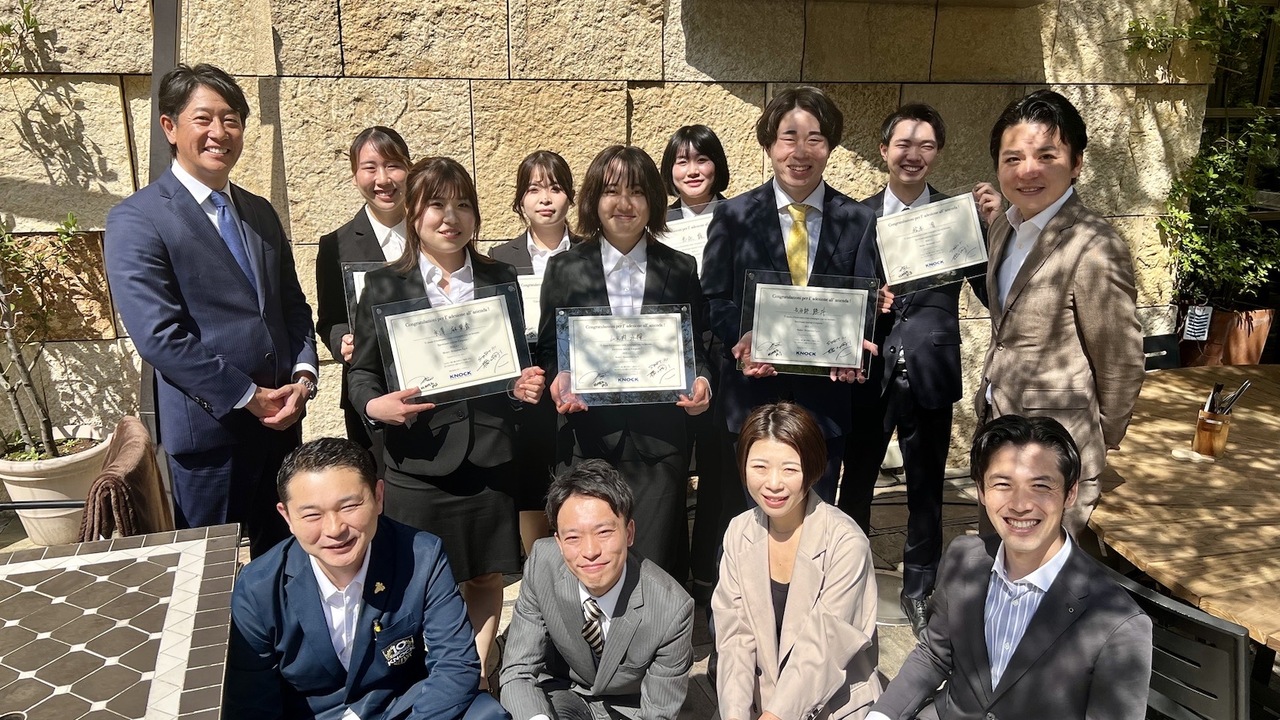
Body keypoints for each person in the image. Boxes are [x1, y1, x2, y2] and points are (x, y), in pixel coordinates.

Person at [347, 156, 547, 688]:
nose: (450, 217)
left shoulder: (499, 277)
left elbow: (511, 363)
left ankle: (477, 674)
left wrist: (522, 387)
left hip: (488, 455)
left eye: (462, 204)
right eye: (436, 204)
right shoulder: (384, 285)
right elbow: (361, 373)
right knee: (417, 580)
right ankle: (432, 676)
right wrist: (375, 407)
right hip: (417, 459)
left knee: (485, 575)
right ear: (413, 212)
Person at [104, 63, 317, 558]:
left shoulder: (259, 210)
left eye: (231, 120)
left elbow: (291, 306)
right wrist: (246, 395)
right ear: (169, 126)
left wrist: (303, 377)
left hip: (282, 426)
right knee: (207, 571)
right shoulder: (138, 219)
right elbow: (159, 336)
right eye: (203, 118)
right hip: (208, 437)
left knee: (284, 562)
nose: (219, 132)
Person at [867, 415, 1153, 720]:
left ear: (1070, 493)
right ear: (981, 490)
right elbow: (934, 655)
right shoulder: (964, 557)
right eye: (1003, 484)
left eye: (1040, 486)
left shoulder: (1119, 624)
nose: (1020, 505)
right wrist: (881, 715)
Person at [224, 437, 509, 720]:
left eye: (349, 507)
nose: (335, 529)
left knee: (487, 714)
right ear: (287, 517)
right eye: (312, 515)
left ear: (378, 496)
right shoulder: (258, 587)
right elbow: (253, 704)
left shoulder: (421, 556)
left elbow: (455, 662)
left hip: (400, 707)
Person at [839, 104, 987, 640]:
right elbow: (837, 290)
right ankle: (847, 577)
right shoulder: (856, 216)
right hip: (871, 368)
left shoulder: (957, 215)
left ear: (938, 153)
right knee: (856, 482)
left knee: (927, 488)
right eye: (903, 144)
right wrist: (866, 300)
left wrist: (993, 227)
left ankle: (921, 586)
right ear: (884, 150)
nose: (913, 155)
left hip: (930, 365)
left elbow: (990, 292)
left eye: (925, 145)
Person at [701, 85, 884, 503]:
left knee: (817, 518)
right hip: (753, 397)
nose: (800, 152)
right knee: (754, 517)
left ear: (830, 147)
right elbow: (713, 297)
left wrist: (854, 345)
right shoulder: (732, 216)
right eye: (789, 138)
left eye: (814, 139)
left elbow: (865, 297)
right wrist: (741, 339)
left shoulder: (858, 219)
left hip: (825, 402)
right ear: (769, 145)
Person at [538, 144, 712, 580]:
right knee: (593, 557)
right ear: (593, 199)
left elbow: (698, 344)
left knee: (656, 560)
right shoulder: (564, 268)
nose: (624, 202)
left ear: (653, 200)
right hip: (588, 437)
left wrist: (703, 381)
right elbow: (549, 346)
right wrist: (559, 378)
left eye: (637, 191)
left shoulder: (679, 267)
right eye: (611, 191)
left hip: (660, 438)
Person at [976, 89, 1144, 536]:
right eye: (1013, 158)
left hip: (1058, 455)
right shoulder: (1003, 228)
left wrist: (1095, 440)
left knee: (1045, 570)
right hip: (999, 441)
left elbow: (1121, 360)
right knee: (998, 560)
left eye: (1046, 156)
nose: (1027, 170)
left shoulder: (1094, 245)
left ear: (1076, 163)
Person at [714, 402, 882, 720]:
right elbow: (735, 637)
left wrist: (775, 716)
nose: (773, 483)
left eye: (790, 469)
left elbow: (823, 648)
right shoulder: (739, 532)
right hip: (761, 703)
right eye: (760, 467)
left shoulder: (846, 542)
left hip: (833, 705)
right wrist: (735, 714)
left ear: (812, 468)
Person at [499, 459, 695, 720]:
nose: (590, 551)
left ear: (629, 532)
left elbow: (658, 712)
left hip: (630, 708)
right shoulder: (542, 564)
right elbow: (518, 670)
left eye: (603, 532)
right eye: (573, 537)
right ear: (558, 542)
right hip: (565, 693)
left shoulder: (672, 608)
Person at [660, 124, 740, 602]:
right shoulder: (656, 220)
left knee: (719, 473)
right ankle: (669, 580)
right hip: (668, 356)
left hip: (725, 354)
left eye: (702, 159)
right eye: (681, 161)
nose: (692, 170)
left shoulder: (739, 215)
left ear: (717, 166)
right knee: (669, 471)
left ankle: (711, 576)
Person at [489, 150, 581, 555]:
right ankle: (538, 570)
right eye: (534, 190)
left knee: (575, 480)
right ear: (520, 201)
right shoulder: (499, 260)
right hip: (524, 390)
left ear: (570, 197)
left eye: (555, 188)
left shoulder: (590, 252)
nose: (545, 198)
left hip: (577, 386)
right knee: (530, 483)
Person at [315, 126, 412, 474]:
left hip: (432, 387)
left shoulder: (433, 232)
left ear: (409, 169)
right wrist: (341, 338)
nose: (383, 179)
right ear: (355, 175)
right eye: (370, 168)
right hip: (369, 395)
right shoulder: (335, 245)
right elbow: (329, 319)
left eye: (393, 165)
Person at [660, 124, 731, 220]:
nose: (692, 172)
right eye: (682, 162)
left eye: (701, 160)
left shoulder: (741, 217)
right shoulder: (659, 224)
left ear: (717, 164)